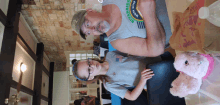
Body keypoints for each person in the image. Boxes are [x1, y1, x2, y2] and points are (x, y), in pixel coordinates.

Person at [71, 0, 172, 57]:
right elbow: (156, 50)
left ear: (90, 11)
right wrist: (149, 14)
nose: (93, 29)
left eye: (88, 24)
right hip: (180, 31)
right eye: (88, 32)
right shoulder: (117, 41)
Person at [72, 51, 162, 101]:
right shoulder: (108, 84)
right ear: (91, 78)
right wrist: (143, 80)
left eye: (88, 62)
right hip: (155, 80)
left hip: (158, 60)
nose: (92, 65)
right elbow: (132, 97)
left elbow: (130, 53)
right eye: (89, 70)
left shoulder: (110, 55)